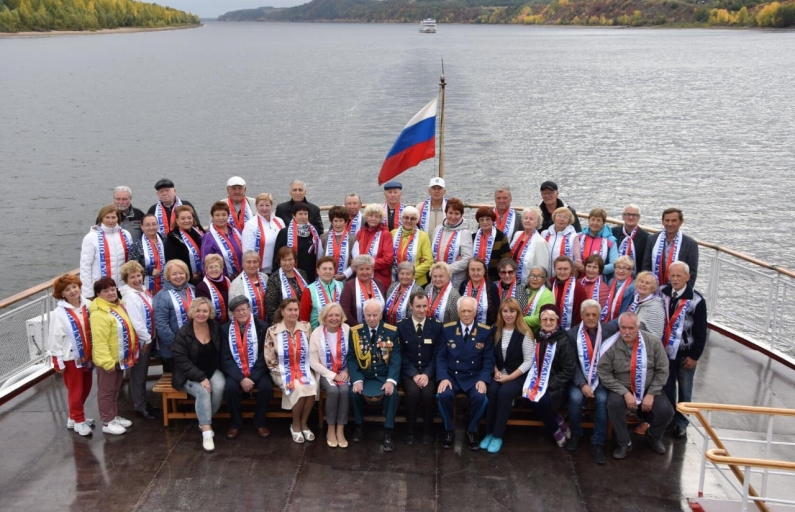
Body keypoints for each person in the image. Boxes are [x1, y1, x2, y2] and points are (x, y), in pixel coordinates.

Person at [597, 312, 673, 458]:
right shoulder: (610, 345)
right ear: (619, 327)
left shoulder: (653, 342)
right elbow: (604, 373)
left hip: (648, 386)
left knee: (666, 411)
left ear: (638, 327)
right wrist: (624, 393)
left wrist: (651, 393)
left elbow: (663, 369)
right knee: (613, 405)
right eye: (623, 328)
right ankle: (624, 442)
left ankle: (655, 436)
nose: (626, 332)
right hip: (622, 387)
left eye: (631, 328)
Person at [565, 300, 618, 463]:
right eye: (587, 314)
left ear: (599, 316)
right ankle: (576, 434)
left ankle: (598, 442)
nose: (590, 318)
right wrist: (582, 384)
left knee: (602, 400)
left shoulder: (609, 330)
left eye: (594, 315)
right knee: (575, 398)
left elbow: (632, 323)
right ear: (581, 316)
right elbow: (571, 363)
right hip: (579, 379)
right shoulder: (572, 334)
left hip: (601, 379)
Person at [436, 296, 494, 450]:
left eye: (470, 311)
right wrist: (442, 377)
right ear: (458, 312)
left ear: (475, 312)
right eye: (463, 311)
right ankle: (448, 430)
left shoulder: (485, 331)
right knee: (443, 395)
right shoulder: (447, 329)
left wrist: (483, 379)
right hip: (452, 376)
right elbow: (441, 356)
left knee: (481, 398)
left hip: (474, 377)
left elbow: (488, 359)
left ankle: (472, 431)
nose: (466, 314)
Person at [480, 298, 535, 453]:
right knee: (491, 391)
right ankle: (488, 433)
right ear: (500, 313)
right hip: (498, 373)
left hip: (517, 376)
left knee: (504, 393)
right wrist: (495, 371)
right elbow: (489, 354)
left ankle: (498, 436)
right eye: (505, 311)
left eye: (512, 311)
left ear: (518, 313)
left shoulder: (525, 332)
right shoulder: (495, 330)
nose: (508, 314)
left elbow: (528, 361)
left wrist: (509, 378)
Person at [660, 261, 707, 439]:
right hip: (666, 351)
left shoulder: (696, 300)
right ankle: (670, 417)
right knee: (667, 386)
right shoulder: (662, 293)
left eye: (679, 276)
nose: (675, 279)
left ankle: (682, 423)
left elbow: (701, 331)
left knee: (685, 389)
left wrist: (695, 356)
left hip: (686, 351)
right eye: (672, 275)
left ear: (688, 277)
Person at [347, 299, 402, 452]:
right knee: (353, 392)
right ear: (363, 314)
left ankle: (388, 431)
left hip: (383, 376)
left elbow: (396, 358)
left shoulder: (391, 331)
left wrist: (391, 380)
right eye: (368, 315)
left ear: (380, 314)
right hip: (364, 376)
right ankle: (359, 426)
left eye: (375, 315)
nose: (371, 318)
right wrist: (357, 379)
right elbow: (351, 358)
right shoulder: (355, 331)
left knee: (393, 394)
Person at [172, 297, 225, 452]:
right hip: (188, 374)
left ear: (210, 313)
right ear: (192, 311)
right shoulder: (183, 333)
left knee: (221, 386)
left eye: (205, 311)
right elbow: (181, 361)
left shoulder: (215, 328)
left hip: (211, 370)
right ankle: (207, 432)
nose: (201, 314)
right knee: (203, 391)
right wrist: (201, 377)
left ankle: (203, 420)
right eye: (198, 310)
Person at [520, 304, 577, 448]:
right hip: (536, 380)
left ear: (557, 321)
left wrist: (549, 384)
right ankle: (556, 420)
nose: (548, 322)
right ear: (540, 321)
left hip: (556, 385)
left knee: (540, 401)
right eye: (544, 319)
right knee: (527, 397)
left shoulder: (564, 340)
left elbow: (569, 370)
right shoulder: (537, 337)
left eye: (552, 319)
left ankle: (554, 429)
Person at [89, 277, 139, 435]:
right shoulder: (98, 313)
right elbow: (99, 340)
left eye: (112, 289)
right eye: (106, 291)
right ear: (98, 294)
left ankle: (113, 415)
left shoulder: (117, 306)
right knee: (106, 391)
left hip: (119, 357)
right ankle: (107, 421)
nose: (111, 293)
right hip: (108, 361)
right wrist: (106, 362)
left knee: (115, 389)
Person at [265, 298, 317, 444]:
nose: (293, 313)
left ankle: (304, 424)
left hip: (304, 369)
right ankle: (295, 425)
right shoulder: (273, 331)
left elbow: (312, 352)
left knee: (312, 386)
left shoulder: (306, 328)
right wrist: (288, 373)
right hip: (281, 371)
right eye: (290, 310)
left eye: (296, 310)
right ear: (282, 311)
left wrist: (304, 371)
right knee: (298, 387)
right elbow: (269, 359)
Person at [48, 274, 94, 436]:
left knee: (86, 388)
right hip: (71, 358)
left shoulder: (88, 304)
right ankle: (79, 421)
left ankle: (74, 417)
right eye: (67, 290)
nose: (73, 291)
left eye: (74, 286)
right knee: (76, 390)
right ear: (62, 294)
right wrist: (57, 360)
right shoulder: (58, 314)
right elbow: (54, 338)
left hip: (88, 356)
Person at [221, 295, 273, 440]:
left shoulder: (263, 327)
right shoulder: (225, 330)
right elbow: (225, 358)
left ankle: (260, 422)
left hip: (258, 371)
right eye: (237, 311)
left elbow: (266, 355)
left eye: (244, 309)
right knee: (230, 389)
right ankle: (235, 423)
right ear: (233, 313)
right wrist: (241, 378)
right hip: (236, 372)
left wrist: (253, 377)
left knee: (265, 388)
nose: (241, 313)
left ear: (250, 309)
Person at [397, 293, 443, 445]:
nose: (422, 310)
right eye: (418, 306)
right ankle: (410, 430)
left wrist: (428, 374)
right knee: (413, 394)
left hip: (429, 370)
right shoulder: (402, 326)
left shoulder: (436, 326)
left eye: (424, 306)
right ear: (411, 306)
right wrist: (414, 374)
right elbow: (400, 354)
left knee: (429, 394)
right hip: (410, 371)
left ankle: (428, 430)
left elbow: (437, 354)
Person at [118, 261, 158, 420]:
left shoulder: (143, 291)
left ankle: (143, 402)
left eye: (138, 275)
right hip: (141, 342)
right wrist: (147, 340)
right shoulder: (130, 296)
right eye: (132, 277)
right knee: (138, 375)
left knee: (142, 374)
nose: (136, 279)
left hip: (148, 338)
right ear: (126, 280)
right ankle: (140, 407)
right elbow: (137, 322)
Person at [309, 303, 351, 448]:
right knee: (333, 391)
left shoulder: (347, 330)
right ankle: (331, 428)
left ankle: (341, 429)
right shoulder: (316, 333)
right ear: (324, 317)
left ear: (341, 317)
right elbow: (313, 362)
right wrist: (333, 375)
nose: (334, 318)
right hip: (326, 374)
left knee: (345, 391)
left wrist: (346, 372)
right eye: (330, 315)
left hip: (344, 373)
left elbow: (353, 355)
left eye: (337, 315)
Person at [79, 204, 132, 297]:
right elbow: (85, 267)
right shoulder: (91, 237)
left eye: (113, 217)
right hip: (102, 288)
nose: (110, 221)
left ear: (118, 219)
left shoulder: (126, 235)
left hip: (123, 287)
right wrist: (88, 293)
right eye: (107, 217)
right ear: (101, 218)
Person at [153, 260, 196, 373]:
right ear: (167, 276)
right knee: (176, 384)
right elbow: (161, 325)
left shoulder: (192, 290)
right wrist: (175, 344)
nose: (178, 276)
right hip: (172, 350)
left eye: (181, 273)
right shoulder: (162, 296)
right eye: (174, 274)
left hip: (193, 346)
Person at [642, 208, 699, 287]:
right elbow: (646, 266)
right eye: (667, 220)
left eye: (674, 221)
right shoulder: (652, 239)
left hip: (677, 290)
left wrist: (683, 293)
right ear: (662, 221)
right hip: (654, 288)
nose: (670, 224)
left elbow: (692, 273)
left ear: (681, 222)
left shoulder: (690, 244)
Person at [272, 202, 322, 283]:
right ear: (293, 215)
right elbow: (277, 255)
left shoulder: (314, 230)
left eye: (306, 214)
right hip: (291, 273)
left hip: (311, 273)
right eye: (300, 214)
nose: (303, 217)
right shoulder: (285, 233)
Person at [431, 198, 473, 287]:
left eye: (456, 213)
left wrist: (445, 269)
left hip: (455, 280)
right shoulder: (438, 229)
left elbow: (467, 259)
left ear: (461, 215)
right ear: (446, 213)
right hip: (437, 278)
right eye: (450, 213)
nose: (453, 217)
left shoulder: (465, 233)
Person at [242, 193, 285, 273]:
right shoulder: (251, 224)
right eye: (261, 205)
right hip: (260, 270)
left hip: (279, 268)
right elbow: (247, 251)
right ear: (256, 206)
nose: (264, 208)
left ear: (271, 206)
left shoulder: (279, 222)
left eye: (267, 205)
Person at [265, 247, 309, 323]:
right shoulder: (274, 278)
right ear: (279, 261)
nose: (287, 263)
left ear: (295, 260)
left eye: (290, 259)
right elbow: (271, 307)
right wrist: (280, 323)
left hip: (303, 319)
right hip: (283, 321)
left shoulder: (302, 274)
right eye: (284, 260)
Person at [391, 206, 432, 286]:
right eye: (406, 218)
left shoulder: (423, 236)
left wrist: (409, 275)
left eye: (413, 219)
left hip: (417, 281)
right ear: (401, 219)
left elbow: (428, 261)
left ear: (417, 221)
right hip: (395, 279)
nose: (409, 221)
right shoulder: (392, 233)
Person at [201, 201, 244, 280]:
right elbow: (205, 262)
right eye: (217, 215)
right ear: (212, 216)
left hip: (241, 277)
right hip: (223, 279)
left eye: (224, 215)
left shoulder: (237, 232)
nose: (221, 218)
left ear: (228, 216)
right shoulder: (208, 237)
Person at [355, 203, 394, 288]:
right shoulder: (360, 233)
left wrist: (366, 266)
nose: (373, 219)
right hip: (361, 275)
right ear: (366, 217)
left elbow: (388, 259)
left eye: (377, 216)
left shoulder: (385, 234)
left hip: (378, 277)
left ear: (381, 219)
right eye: (370, 216)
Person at [163, 205, 205, 284]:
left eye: (189, 218)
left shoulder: (199, 232)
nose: (187, 220)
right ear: (177, 220)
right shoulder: (172, 238)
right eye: (183, 218)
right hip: (186, 279)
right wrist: (190, 275)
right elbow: (172, 262)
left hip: (204, 276)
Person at [340, 255, 386, 326]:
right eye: (361, 269)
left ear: (372, 269)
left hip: (379, 328)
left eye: (367, 269)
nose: (364, 272)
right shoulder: (349, 285)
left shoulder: (379, 283)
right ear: (356, 270)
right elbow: (345, 311)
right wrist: (359, 328)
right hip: (357, 329)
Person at [300, 257, 344, 329]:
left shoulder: (341, 286)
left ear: (334, 271)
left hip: (338, 331)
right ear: (318, 271)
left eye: (330, 269)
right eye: (324, 269)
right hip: (317, 333)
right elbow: (304, 318)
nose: (327, 271)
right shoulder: (309, 290)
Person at [510, 206, 550, 284]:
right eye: (526, 218)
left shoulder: (540, 242)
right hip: (511, 279)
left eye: (531, 219)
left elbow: (542, 269)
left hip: (528, 284)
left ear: (537, 222)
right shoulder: (517, 234)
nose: (528, 221)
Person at [129, 214, 165, 295]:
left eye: (154, 224)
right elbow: (131, 268)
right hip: (145, 285)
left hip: (165, 284)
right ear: (142, 227)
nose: (151, 227)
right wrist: (147, 271)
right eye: (147, 225)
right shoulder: (136, 245)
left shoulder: (165, 240)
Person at [472, 206, 511, 281]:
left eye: (488, 219)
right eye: (481, 220)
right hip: (475, 276)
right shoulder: (473, 237)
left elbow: (506, 260)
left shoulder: (501, 237)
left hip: (494, 278)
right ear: (478, 221)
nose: (485, 222)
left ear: (493, 220)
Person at [541, 207, 582, 278]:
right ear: (554, 217)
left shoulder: (573, 237)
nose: (561, 219)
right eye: (559, 216)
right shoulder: (544, 234)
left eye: (565, 217)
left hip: (563, 276)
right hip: (545, 274)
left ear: (569, 220)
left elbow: (577, 260)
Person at [578, 208, 619, 279]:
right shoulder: (578, 237)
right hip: (579, 275)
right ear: (588, 220)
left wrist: (593, 270)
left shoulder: (611, 241)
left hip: (600, 278)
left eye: (598, 220)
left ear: (603, 223)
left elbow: (614, 264)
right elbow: (570, 257)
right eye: (593, 219)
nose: (595, 223)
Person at [229, 251, 269, 323]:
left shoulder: (265, 277)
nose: (252, 265)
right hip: (247, 326)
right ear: (243, 264)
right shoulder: (236, 284)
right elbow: (232, 311)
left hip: (267, 322)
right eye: (248, 262)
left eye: (255, 262)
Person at [458, 258, 499, 325]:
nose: (476, 273)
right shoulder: (464, 285)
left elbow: (496, 311)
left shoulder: (492, 287)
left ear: (484, 271)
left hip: (485, 328)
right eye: (472, 270)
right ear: (468, 271)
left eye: (479, 270)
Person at [550, 256, 588, 330]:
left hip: (570, 330)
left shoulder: (578, 288)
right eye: (559, 269)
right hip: (550, 327)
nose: (562, 272)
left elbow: (580, 314)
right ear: (554, 269)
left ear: (571, 269)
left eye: (566, 269)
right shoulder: (550, 283)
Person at [321, 205, 356, 281]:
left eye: (341, 221)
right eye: (335, 221)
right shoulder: (323, 238)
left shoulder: (353, 239)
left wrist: (344, 275)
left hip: (346, 280)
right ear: (331, 222)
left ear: (346, 222)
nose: (338, 224)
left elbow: (355, 262)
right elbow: (319, 260)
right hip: (326, 278)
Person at [627, 271, 666, 338]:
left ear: (653, 287)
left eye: (647, 283)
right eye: (641, 281)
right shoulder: (636, 299)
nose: (643, 285)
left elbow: (656, 336)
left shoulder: (655, 307)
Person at [612, 204, 649, 271]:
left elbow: (645, 263)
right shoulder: (613, 232)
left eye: (634, 215)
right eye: (628, 214)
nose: (631, 217)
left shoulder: (646, 238)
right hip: (613, 273)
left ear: (639, 218)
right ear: (623, 216)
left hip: (635, 277)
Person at [196, 254, 231, 324]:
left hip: (231, 322)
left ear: (221, 269)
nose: (214, 270)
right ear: (206, 270)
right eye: (210, 267)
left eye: (216, 266)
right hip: (213, 324)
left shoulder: (228, 281)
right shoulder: (202, 287)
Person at [601, 255, 636, 323]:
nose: (620, 271)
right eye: (618, 267)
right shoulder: (611, 282)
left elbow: (624, 313)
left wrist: (609, 326)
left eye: (624, 268)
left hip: (622, 322)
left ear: (630, 271)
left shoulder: (632, 288)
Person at [523, 266, 556, 334]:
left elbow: (540, 318)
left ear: (544, 280)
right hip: (522, 330)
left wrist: (519, 320)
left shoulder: (547, 295)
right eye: (532, 276)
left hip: (537, 333)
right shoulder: (526, 291)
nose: (535, 279)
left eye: (538, 277)